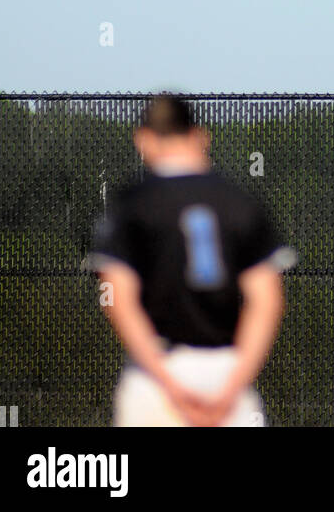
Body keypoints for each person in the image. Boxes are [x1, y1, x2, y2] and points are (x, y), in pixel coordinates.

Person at [88, 93, 295, 427]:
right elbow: (267, 302)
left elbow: (117, 300)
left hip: (156, 374)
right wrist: (232, 387)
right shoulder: (241, 201)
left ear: (144, 139)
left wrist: (168, 383)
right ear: (200, 136)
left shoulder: (132, 203)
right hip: (227, 368)